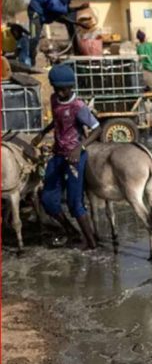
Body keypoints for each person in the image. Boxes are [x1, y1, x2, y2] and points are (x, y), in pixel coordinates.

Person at [31, 65, 101, 249]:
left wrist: (80, 147)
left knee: (74, 203)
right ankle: (72, 232)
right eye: (57, 89)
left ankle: (91, 244)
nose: (61, 93)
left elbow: (97, 129)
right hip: (58, 155)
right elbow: (57, 119)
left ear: (71, 87)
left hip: (75, 157)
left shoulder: (79, 107)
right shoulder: (54, 99)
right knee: (48, 200)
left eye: (65, 89)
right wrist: (42, 133)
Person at [27, 0, 90, 67]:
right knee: (34, 38)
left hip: (47, 12)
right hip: (35, 12)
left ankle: (77, 53)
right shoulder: (55, 2)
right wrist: (79, 23)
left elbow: (66, 10)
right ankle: (30, 62)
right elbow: (62, 16)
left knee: (71, 25)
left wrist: (79, 8)